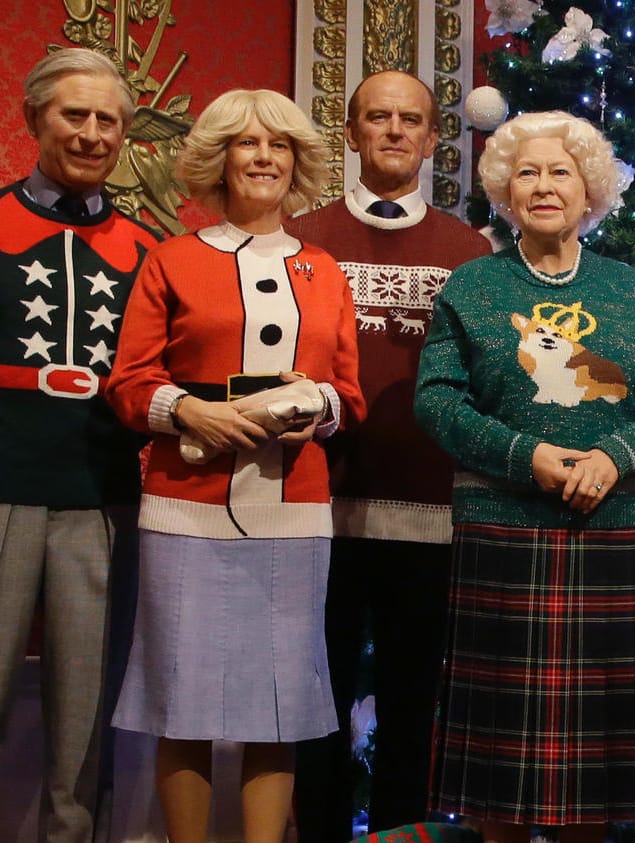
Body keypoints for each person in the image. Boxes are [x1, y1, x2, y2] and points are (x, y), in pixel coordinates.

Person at [414, 111, 635, 843]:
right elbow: (436, 399)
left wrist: (614, 457)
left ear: (589, 187)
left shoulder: (630, 289)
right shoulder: (471, 286)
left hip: (613, 536)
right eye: (527, 172)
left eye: (560, 171)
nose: (543, 186)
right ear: (505, 189)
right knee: (501, 764)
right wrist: (523, 455)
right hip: (503, 535)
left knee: (597, 769)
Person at [104, 89, 364, 843]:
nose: (263, 158)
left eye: (278, 145)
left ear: (297, 163)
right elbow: (129, 383)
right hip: (184, 508)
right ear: (218, 159)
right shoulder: (172, 260)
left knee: (278, 706)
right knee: (177, 701)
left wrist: (312, 404)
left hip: (295, 515)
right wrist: (190, 411)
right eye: (247, 144)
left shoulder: (324, 270)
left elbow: (348, 395)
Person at [287, 70, 490, 841]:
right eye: (379, 117)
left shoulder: (467, 250)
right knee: (316, 702)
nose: (395, 131)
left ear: (434, 139)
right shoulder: (305, 238)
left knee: (414, 705)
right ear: (352, 133)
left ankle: (404, 834)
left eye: (411, 120)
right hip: (317, 510)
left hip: (431, 517)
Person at [0, 47, 158, 843]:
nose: (92, 133)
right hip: (0, 487)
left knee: (84, 701)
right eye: (75, 115)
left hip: (100, 494)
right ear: (34, 119)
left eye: (108, 120)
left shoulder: (145, 249)